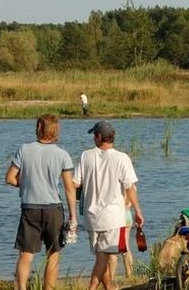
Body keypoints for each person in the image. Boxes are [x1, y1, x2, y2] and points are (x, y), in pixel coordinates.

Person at [5, 113, 77, 290]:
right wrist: (73, 216)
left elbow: (10, 178)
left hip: (30, 208)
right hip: (54, 209)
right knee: (53, 253)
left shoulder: (24, 149)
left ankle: (21, 288)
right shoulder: (62, 154)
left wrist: (26, 185)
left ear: (39, 127)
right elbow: (69, 188)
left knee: (26, 254)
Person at [73, 120, 144, 290]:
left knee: (100, 256)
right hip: (113, 218)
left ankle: (110, 288)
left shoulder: (85, 156)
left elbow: (75, 184)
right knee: (103, 257)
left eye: (93, 136)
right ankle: (92, 287)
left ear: (98, 137)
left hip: (91, 218)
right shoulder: (122, 158)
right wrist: (138, 211)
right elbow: (130, 188)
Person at [108, 185, 135, 279]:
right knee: (126, 246)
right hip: (127, 214)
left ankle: (111, 277)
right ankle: (129, 274)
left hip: (118, 217)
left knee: (113, 248)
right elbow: (132, 199)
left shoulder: (114, 184)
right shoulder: (131, 184)